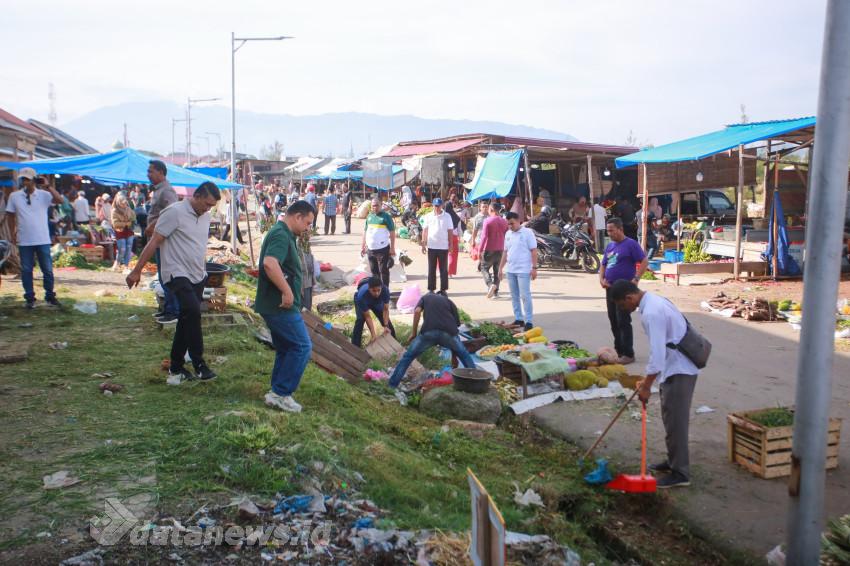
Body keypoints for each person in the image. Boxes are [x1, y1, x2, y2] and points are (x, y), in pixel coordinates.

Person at [126, 182, 222, 384]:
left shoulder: (205, 216)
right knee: (193, 312)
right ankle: (199, 364)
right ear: (196, 196)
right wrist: (137, 270)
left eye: (211, 206)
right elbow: (154, 240)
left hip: (197, 274)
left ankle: (176, 367)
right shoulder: (175, 212)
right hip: (176, 272)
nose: (208, 209)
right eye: (206, 204)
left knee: (187, 319)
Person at [611, 280, 699, 489]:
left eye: (622, 305)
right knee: (670, 418)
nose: (624, 310)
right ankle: (673, 460)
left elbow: (657, 356)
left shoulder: (651, 312)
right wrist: (648, 381)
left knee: (676, 422)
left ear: (629, 297)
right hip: (674, 366)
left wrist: (646, 386)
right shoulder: (653, 301)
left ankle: (680, 473)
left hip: (680, 369)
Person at [254, 200, 316, 413]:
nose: (308, 228)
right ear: (297, 217)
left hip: (276, 304)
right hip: (279, 305)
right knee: (302, 347)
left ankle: (277, 392)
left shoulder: (285, 234)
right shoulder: (281, 234)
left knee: (287, 348)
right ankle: (281, 393)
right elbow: (270, 263)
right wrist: (287, 291)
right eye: (307, 223)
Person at [387, 291, 476, 388]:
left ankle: (392, 385)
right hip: (448, 334)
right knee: (464, 355)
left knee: (408, 357)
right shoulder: (450, 302)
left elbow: (417, 311)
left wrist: (414, 333)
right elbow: (455, 328)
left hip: (429, 332)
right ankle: (477, 383)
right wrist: (454, 356)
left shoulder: (426, 297)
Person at [5, 168, 63, 309]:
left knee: (47, 270)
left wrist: (48, 186)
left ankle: (50, 296)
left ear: (34, 180)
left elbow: (60, 200)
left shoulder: (44, 195)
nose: (24, 182)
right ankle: (29, 298)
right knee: (26, 270)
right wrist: (12, 232)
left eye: (27, 179)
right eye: (23, 179)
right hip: (24, 239)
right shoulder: (14, 196)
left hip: (42, 239)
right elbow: (10, 215)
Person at [599, 217, 648, 364]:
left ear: (620, 229)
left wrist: (636, 279)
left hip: (624, 290)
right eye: (608, 231)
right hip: (610, 288)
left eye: (612, 231)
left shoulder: (631, 244)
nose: (609, 234)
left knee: (623, 321)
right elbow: (603, 264)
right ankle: (619, 350)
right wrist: (601, 279)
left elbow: (644, 261)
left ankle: (628, 353)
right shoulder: (610, 246)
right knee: (613, 320)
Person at [146, 160, 180, 323]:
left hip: (164, 240)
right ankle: (168, 308)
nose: (148, 175)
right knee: (162, 276)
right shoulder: (158, 190)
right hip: (158, 239)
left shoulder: (167, 190)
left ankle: (174, 312)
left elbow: (172, 212)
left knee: (167, 276)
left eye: (151, 171)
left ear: (161, 172)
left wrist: (153, 225)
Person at [499, 211, 538, 331]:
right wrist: (500, 268)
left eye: (512, 223)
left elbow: (534, 251)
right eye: (508, 224)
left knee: (525, 295)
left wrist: (534, 268)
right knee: (514, 296)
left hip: (524, 270)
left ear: (518, 221)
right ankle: (519, 318)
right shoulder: (508, 234)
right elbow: (505, 252)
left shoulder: (527, 233)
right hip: (511, 269)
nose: (510, 226)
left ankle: (529, 321)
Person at [351, 276, 396, 347]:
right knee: (360, 320)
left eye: (378, 290)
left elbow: (385, 309)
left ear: (381, 287)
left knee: (385, 321)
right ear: (369, 288)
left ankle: (394, 343)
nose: (376, 293)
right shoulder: (361, 296)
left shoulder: (385, 290)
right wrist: (373, 334)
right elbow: (367, 317)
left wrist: (386, 325)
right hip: (364, 299)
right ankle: (355, 347)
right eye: (374, 291)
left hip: (376, 301)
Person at [420, 197, 453, 294]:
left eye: (439, 206)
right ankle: (431, 289)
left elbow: (450, 231)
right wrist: (423, 243)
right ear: (433, 206)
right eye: (435, 206)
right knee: (431, 268)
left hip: (443, 246)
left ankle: (443, 289)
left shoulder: (447, 216)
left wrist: (451, 244)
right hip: (432, 246)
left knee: (443, 269)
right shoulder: (428, 216)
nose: (437, 208)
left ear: (442, 206)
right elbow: (425, 230)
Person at [362, 197, 396, 288]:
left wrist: (392, 248)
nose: (375, 207)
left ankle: (385, 291)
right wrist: (363, 245)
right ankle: (376, 291)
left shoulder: (386, 217)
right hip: (371, 250)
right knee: (374, 272)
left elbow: (392, 233)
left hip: (383, 249)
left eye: (377, 205)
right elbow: (365, 231)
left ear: (381, 205)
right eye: (373, 206)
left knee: (383, 271)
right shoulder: (369, 216)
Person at [479, 202, 508, 299]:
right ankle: (495, 292)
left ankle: (490, 284)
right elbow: (507, 235)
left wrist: (480, 250)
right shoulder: (504, 221)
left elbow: (484, 237)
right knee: (497, 270)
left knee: (484, 268)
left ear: (491, 209)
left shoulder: (487, 221)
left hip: (489, 248)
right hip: (501, 249)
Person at [111, 193, 136, 270]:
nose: (124, 205)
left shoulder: (129, 209)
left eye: (125, 203)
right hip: (120, 231)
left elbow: (133, 218)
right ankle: (117, 262)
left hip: (129, 231)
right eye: (122, 203)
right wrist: (126, 223)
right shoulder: (114, 211)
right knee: (122, 249)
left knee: (129, 248)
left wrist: (132, 222)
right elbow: (115, 224)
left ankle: (126, 266)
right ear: (118, 203)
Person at [444, 201, 461, 277]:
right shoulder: (456, 217)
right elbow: (459, 230)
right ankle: (450, 272)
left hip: (444, 237)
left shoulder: (443, 217)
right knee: (453, 255)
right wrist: (459, 237)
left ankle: (442, 270)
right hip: (454, 237)